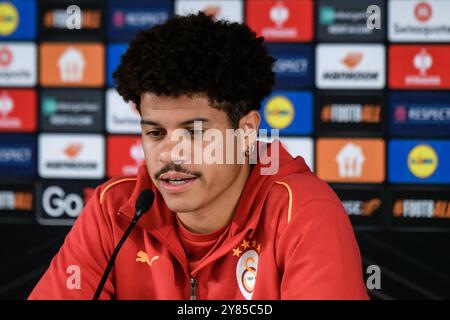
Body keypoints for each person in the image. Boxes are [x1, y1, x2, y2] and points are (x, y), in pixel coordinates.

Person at [29, 12, 368, 300]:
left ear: (246, 131)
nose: (170, 153)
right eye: (155, 133)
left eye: (194, 132)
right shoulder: (114, 210)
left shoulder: (302, 211)